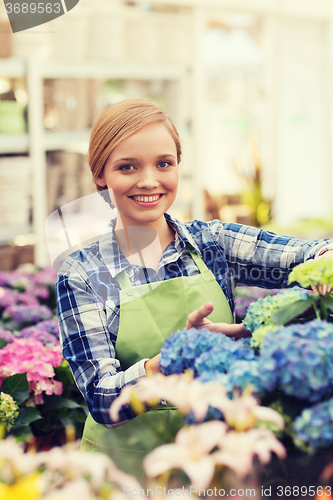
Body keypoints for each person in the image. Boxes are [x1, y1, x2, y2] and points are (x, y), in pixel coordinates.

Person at [56, 98, 333, 475]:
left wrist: (273, 322)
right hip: (121, 470)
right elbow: (102, 399)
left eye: (164, 164)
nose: (150, 180)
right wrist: (170, 361)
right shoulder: (83, 273)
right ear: (101, 175)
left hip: (215, 466)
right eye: (127, 167)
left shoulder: (213, 243)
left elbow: (311, 256)